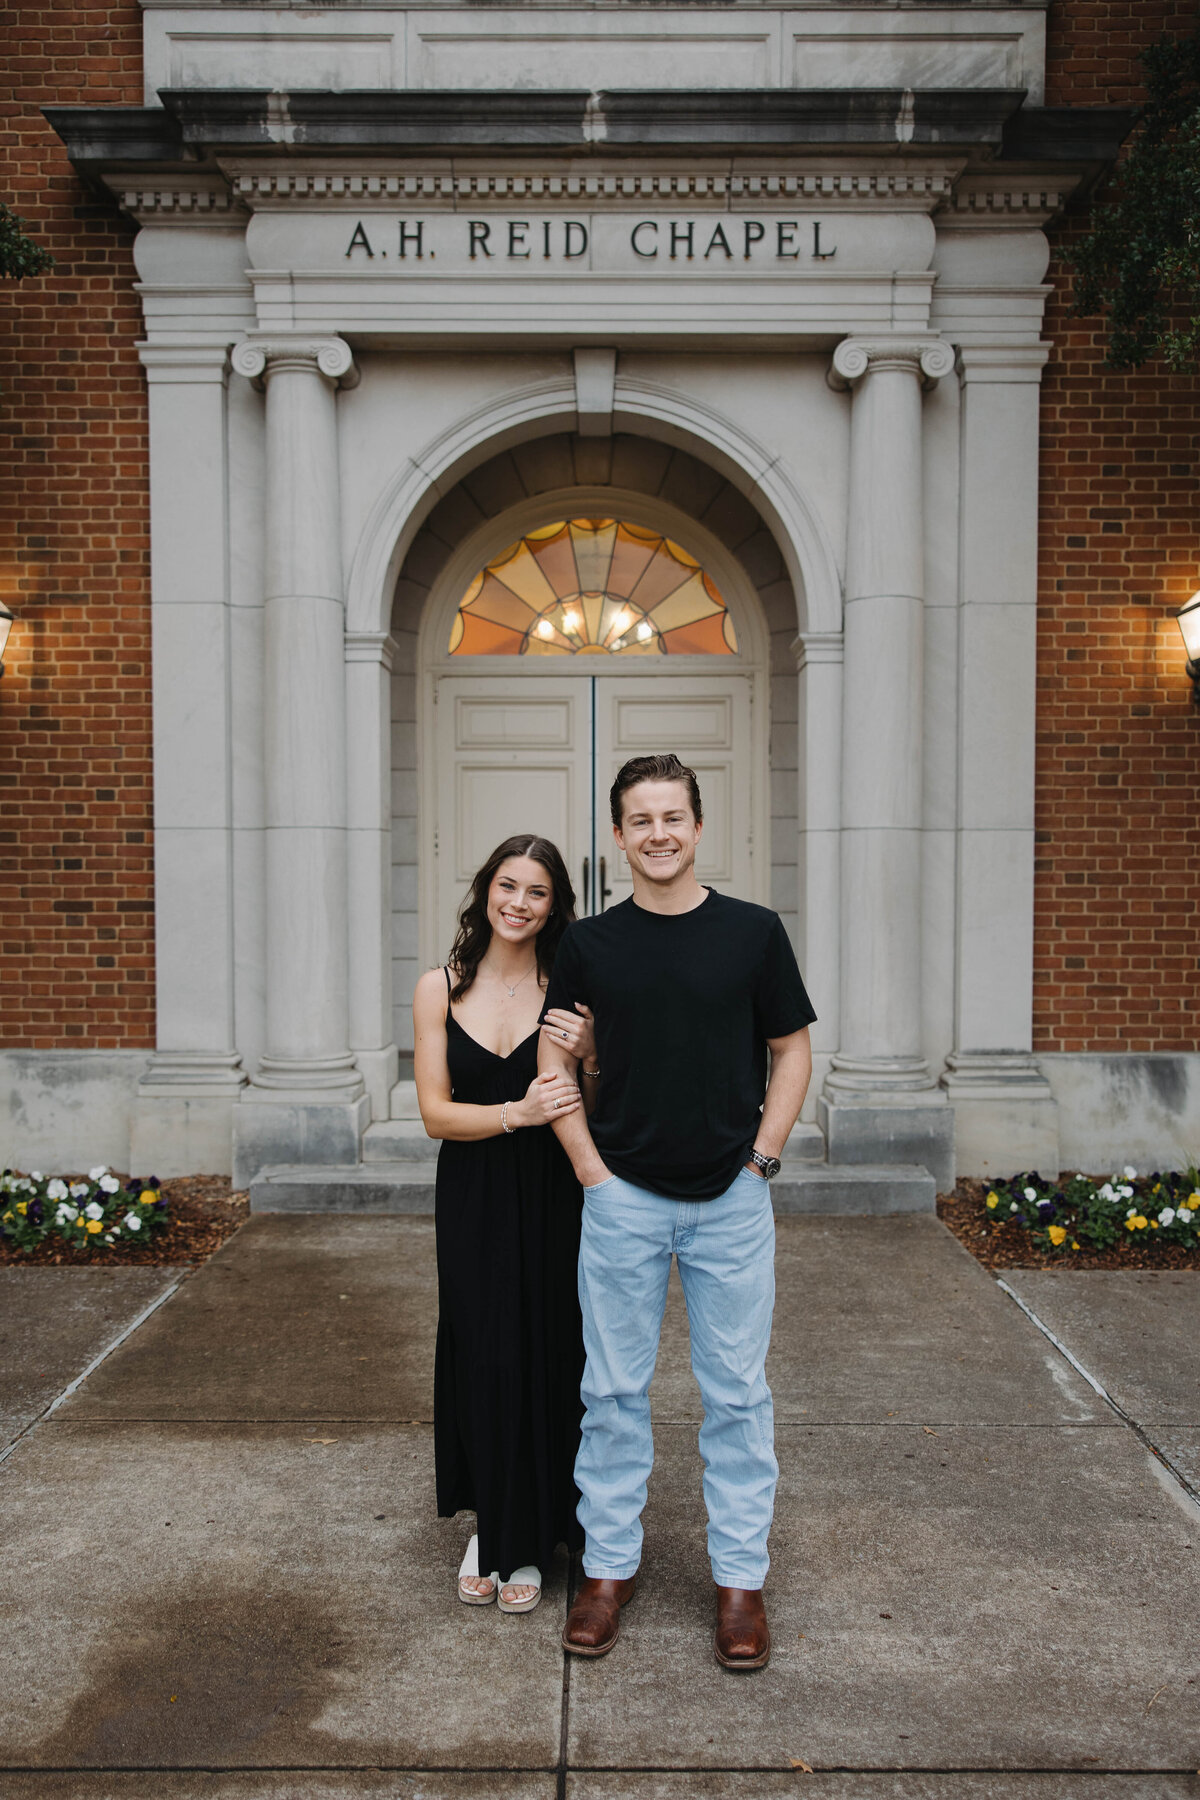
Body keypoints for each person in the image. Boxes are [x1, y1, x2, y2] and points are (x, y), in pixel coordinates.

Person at [539, 753, 815, 1670]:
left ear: (698, 827)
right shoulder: (588, 947)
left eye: (673, 817)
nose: (658, 833)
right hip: (623, 1198)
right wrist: (592, 1175)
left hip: (730, 1202)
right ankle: (607, 1571)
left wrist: (761, 1162)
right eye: (640, 820)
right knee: (613, 1394)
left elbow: (792, 1051)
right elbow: (557, 1068)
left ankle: (740, 1584)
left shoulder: (751, 933)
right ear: (618, 837)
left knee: (737, 1395)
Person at [413, 833, 598, 1614]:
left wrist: (590, 1056)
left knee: (551, 1348)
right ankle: (492, 1527)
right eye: (508, 886)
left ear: (556, 907)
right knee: (483, 1349)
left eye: (538, 893)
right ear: (486, 889)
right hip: (474, 1190)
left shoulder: (572, 988)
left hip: (555, 1194)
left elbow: (602, 1097)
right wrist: (514, 1113)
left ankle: (535, 1538)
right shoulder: (439, 988)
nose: (519, 904)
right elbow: (434, 1114)